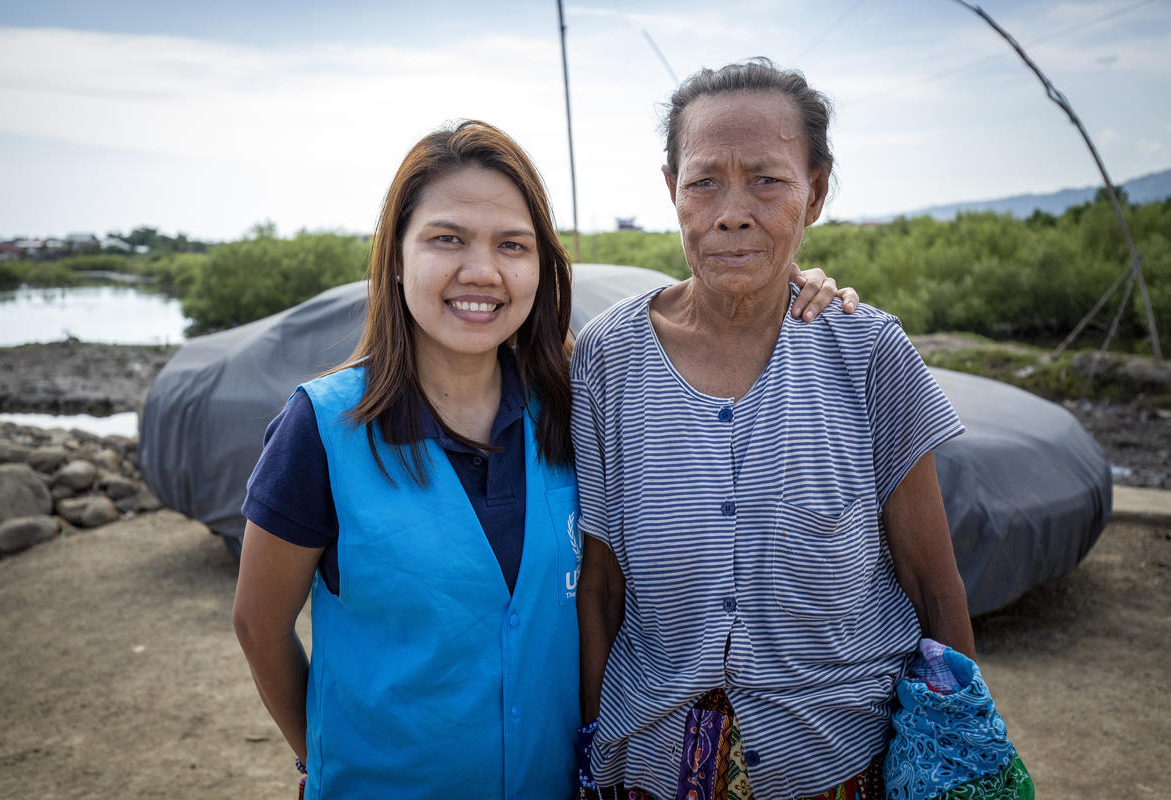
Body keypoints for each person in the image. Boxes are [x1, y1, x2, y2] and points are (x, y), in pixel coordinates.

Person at [232, 118, 855, 798]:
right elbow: (260, 626)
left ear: (541, 266)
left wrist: (789, 287)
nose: (482, 271)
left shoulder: (576, 398)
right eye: (447, 239)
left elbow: (707, 384)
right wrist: (323, 758)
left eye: (512, 245)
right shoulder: (322, 427)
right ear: (398, 256)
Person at [573, 59, 975, 800]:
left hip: (841, 757)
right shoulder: (608, 357)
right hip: (656, 764)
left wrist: (960, 747)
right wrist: (592, 756)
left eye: (767, 179)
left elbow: (932, 583)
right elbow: (600, 590)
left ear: (815, 193)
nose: (732, 210)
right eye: (703, 181)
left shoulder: (867, 350)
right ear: (672, 192)